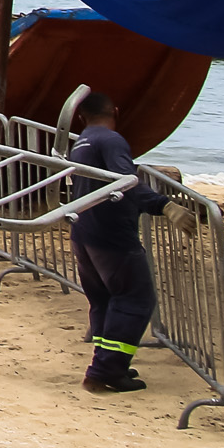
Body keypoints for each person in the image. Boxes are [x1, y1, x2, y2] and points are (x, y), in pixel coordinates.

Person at [62, 94, 183, 394]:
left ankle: (107, 362)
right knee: (135, 299)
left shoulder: (82, 141)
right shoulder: (111, 140)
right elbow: (126, 181)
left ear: (81, 118)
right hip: (111, 234)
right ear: (116, 110)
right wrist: (164, 205)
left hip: (83, 231)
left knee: (104, 301)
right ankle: (105, 371)